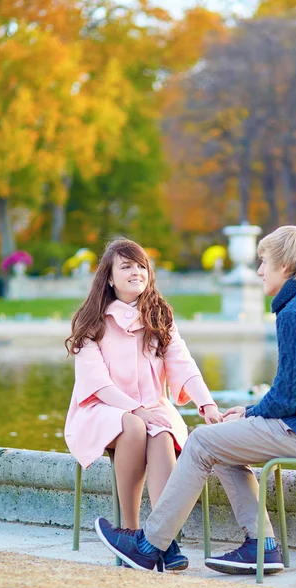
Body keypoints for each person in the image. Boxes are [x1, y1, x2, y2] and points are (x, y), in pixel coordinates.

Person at [94, 226, 296, 575]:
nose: (258, 271)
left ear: (284, 267)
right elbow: (294, 395)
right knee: (223, 438)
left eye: (264, 262)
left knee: (201, 440)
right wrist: (248, 414)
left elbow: (288, 396)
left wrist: (253, 413)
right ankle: (262, 546)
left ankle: (149, 546)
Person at [64, 238, 222, 571]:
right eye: (126, 266)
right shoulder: (91, 320)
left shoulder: (160, 316)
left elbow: (183, 363)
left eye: (141, 266)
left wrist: (206, 403)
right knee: (135, 424)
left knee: (161, 432)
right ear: (109, 277)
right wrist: (135, 410)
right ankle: (131, 532)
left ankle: (161, 538)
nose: (136, 271)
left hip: (154, 408)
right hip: (101, 410)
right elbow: (97, 384)